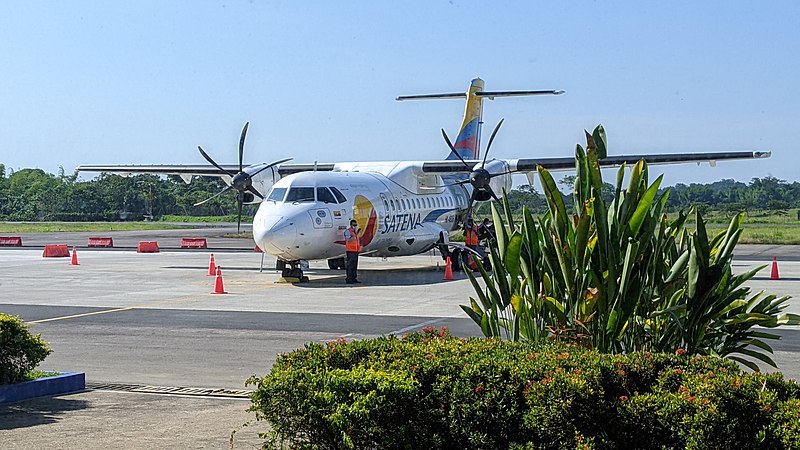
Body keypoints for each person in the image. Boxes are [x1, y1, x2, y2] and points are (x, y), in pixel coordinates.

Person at [344, 219, 362, 284]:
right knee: (350, 266)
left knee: (354, 266)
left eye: (356, 225)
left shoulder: (355, 232)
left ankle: (354, 278)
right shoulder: (348, 231)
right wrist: (355, 236)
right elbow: (349, 240)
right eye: (354, 225)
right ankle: (349, 279)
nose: (355, 226)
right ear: (351, 225)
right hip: (350, 251)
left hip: (355, 250)